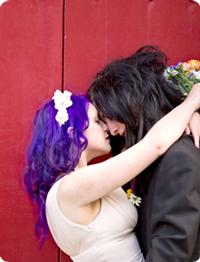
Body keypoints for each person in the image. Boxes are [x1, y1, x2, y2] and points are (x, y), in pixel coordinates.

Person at [24, 84, 200, 262]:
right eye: (97, 121)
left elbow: (152, 144)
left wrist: (189, 117)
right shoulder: (73, 186)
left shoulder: (90, 181)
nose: (107, 127)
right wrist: (191, 102)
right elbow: (156, 144)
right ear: (73, 134)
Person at [88, 46, 200, 261]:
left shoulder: (179, 159)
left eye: (108, 116)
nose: (111, 131)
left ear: (128, 105)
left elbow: (171, 253)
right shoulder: (143, 158)